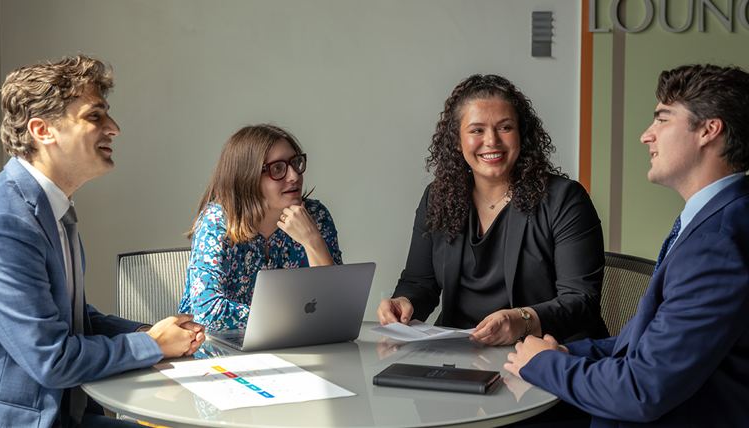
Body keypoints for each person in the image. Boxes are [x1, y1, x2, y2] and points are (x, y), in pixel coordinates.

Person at [504, 64, 749, 427]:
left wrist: (545, 363)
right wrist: (566, 350)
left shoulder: (716, 245)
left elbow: (642, 390)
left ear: (709, 130)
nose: (646, 136)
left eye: (662, 120)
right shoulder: (715, 220)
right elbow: (644, 342)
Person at [0, 55, 205, 428]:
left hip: (72, 415)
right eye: (94, 116)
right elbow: (52, 359)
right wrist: (154, 346)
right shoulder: (1, 222)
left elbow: (74, 320)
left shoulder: (52, 208)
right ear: (43, 130)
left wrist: (145, 332)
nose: (114, 128)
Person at [377, 74, 607, 345]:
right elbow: (419, 282)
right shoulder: (438, 198)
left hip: (547, 354)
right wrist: (403, 302)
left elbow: (581, 302)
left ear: (522, 133)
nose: (492, 141)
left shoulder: (565, 199)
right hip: (461, 352)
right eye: (476, 130)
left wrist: (522, 320)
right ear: (457, 140)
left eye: (505, 127)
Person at [179, 124, 342, 331]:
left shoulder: (315, 216)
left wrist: (313, 241)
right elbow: (208, 312)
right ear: (247, 177)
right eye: (277, 169)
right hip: (214, 348)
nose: (294, 176)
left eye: (296, 163)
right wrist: (293, 317)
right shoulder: (218, 220)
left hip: (294, 344)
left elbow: (337, 310)